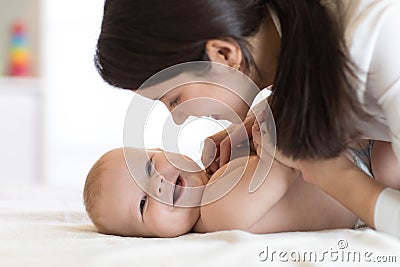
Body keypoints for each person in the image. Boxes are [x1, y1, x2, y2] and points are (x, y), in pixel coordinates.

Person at [94, 0, 400, 236]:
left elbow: (285, 162)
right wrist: (271, 118)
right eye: (144, 204)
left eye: (174, 99)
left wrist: (332, 174)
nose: (176, 120)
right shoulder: (305, 40)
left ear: (224, 56)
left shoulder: (381, 39)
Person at [83, 143, 360, 238]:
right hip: (360, 175)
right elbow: (283, 163)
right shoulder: (217, 211)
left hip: (349, 161)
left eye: (148, 166)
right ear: (148, 236)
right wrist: (248, 136)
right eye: (143, 204)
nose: (156, 183)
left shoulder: (217, 184)